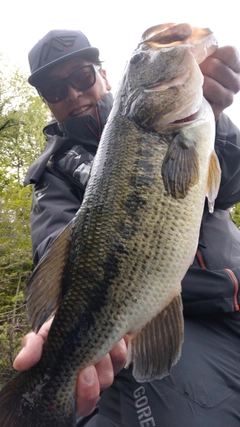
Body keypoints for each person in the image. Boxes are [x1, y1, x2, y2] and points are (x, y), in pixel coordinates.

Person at [13, 28, 240, 426]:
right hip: (160, 323)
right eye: (54, 89)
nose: (73, 94)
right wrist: (63, 326)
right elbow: (56, 244)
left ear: (104, 75)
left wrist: (215, 119)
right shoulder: (53, 179)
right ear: (47, 103)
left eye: (82, 76)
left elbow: (228, 189)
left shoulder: (188, 121)